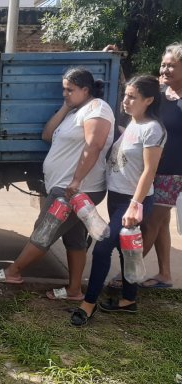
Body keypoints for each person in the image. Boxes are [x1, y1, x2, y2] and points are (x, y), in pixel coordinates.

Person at [0, 68, 115, 302]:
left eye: (70, 90)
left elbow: (93, 145)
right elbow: (47, 134)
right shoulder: (75, 111)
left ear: (85, 90)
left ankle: (13, 272)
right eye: (63, 89)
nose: (64, 93)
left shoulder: (97, 109)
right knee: (74, 238)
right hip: (68, 187)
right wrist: (67, 106)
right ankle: (74, 290)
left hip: (75, 190)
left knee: (45, 230)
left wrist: (76, 180)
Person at [71, 76, 166, 326]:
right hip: (117, 196)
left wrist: (135, 205)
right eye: (125, 94)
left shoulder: (153, 129)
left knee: (103, 247)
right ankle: (128, 300)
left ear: (149, 100)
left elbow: (149, 171)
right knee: (126, 249)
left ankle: (88, 303)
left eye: (133, 96)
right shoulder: (131, 124)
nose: (126, 100)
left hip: (133, 201)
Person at [108, 43, 182, 290]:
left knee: (150, 223)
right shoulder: (161, 93)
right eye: (163, 64)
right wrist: (118, 70)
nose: (165, 69)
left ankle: (129, 276)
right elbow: (138, 95)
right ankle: (164, 274)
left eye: (172, 65)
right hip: (150, 168)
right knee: (159, 225)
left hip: (172, 171)